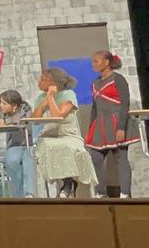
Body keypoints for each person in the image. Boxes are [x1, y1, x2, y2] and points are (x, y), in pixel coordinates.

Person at [31, 68, 97, 198]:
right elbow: (36, 120)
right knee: (48, 147)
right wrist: (45, 101)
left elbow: (58, 116)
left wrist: (50, 97)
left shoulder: (68, 94)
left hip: (68, 134)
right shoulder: (41, 97)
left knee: (66, 147)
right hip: (49, 134)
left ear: (53, 82)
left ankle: (68, 184)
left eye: (43, 79)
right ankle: (65, 183)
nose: (39, 81)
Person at [85, 50, 139, 198]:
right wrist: (91, 128)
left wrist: (121, 128)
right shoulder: (95, 83)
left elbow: (124, 104)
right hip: (100, 124)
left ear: (107, 62)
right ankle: (101, 192)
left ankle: (125, 193)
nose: (93, 64)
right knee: (95, 157)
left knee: (120, 158)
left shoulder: (118, 79)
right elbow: (95, 108)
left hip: (116, 122)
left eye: (96, 61)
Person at [0, 89, 35, 197]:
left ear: (14, 105)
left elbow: (24, 121)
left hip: (28, 143)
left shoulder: (24, 107)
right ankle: (17, 196)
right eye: (0, 103)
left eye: (4, 103)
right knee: (11, 161)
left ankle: (29, 194)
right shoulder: (2, 112)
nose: (0, 105)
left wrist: (6, 122)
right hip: (14, 145)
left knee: (28, 162)